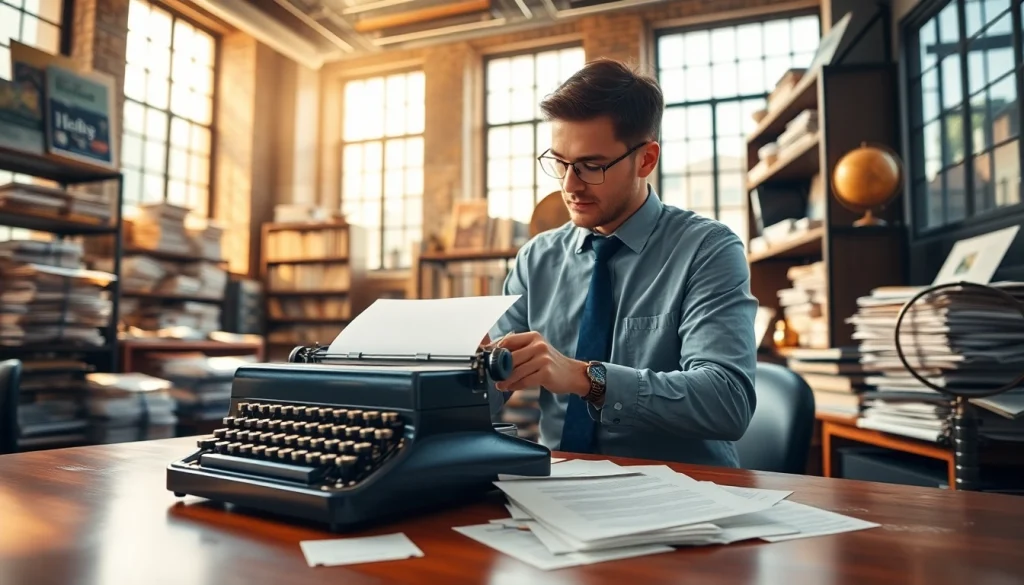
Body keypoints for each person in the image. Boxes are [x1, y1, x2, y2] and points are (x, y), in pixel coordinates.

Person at [484, 58, 757, 468]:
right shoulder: (536, 258)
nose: (570, 185)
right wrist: (461, 375)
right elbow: (490, 384)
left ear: (646, 159)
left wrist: (584, 378)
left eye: (592, 166)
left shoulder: (708, 249)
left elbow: (726, 401)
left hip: (686, 493)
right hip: (556, 486)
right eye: (560, 163)